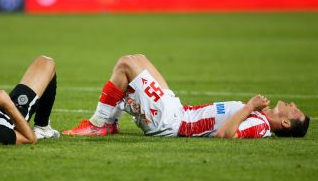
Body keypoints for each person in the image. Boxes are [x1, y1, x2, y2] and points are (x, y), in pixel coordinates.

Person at [63, 54, 310, 138]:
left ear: (286, 122)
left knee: (126, 64)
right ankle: (109, 122)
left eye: (295, 110)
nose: (293, 104)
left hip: (172, 122)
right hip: (178, 111)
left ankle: (100, 123)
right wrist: (252, 106)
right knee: (138, 58)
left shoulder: (261, 125)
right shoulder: (260, 119)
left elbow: (227, 135)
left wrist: (250, 107)